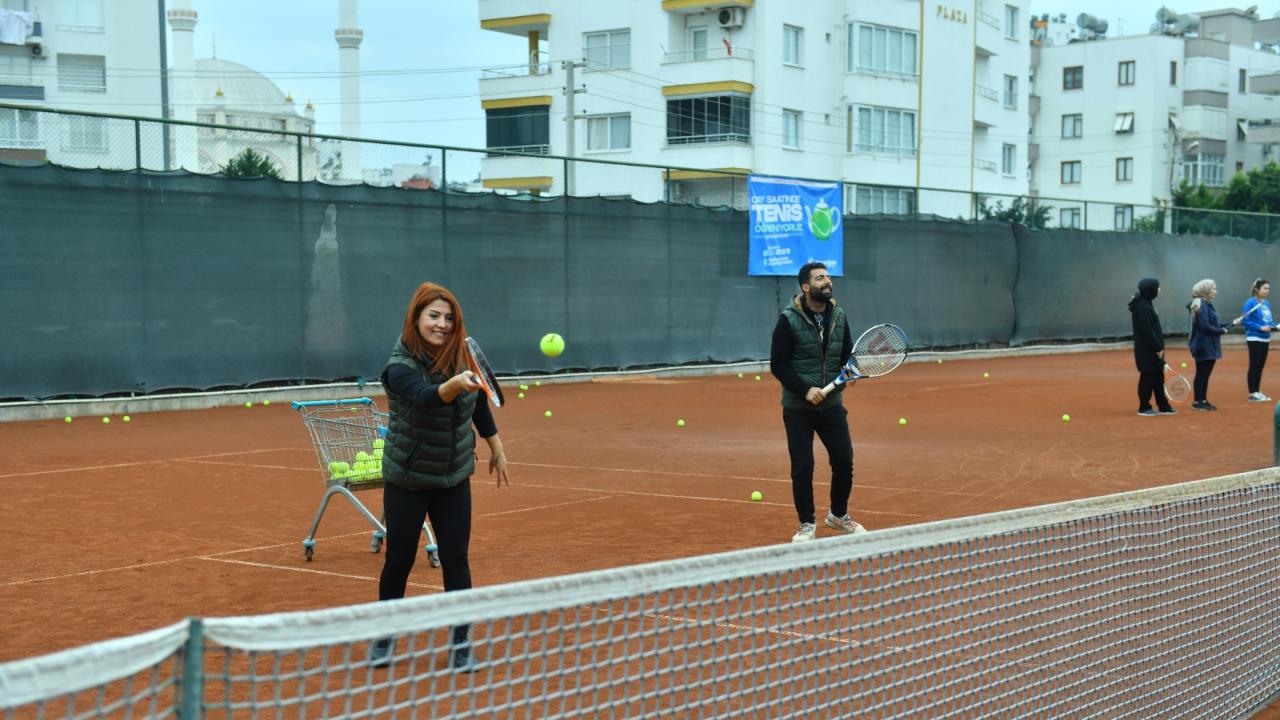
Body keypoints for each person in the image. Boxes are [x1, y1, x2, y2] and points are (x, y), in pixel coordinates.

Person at [370, 282, 511, 670]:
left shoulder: (460, 357)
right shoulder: (399, 366)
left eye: (449, 318)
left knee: (457, 561)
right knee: (398, 561)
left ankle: (461, 646)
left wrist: (496, 447)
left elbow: (478, 402)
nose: (442, 324)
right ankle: (383, 638)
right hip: (408, 479)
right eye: (433, 316)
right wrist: (455, 382)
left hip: (452, 477)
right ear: (416, 319)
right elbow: (426, 398)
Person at [770, 262, 868, 543]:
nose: (827, 282)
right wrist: (804, 390)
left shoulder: (838, 315)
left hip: (832, 404)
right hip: (798, 407)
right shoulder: (788, 320)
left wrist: (851, 371)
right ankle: (806, 524)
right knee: (803, 466)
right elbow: (778, 364)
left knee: (844, 460)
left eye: (828, 277)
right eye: (820, 278)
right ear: (805, 286)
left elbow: (847, 355)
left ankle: (838, 515)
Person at [1187, 279, 1244, 411]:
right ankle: (1197, 402)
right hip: (1203, 345)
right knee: (1202, 373)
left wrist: (1233, 323)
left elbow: (1215, 326)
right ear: (1206, 291)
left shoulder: (1207, 304)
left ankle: (1203, 400)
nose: (1216, 291)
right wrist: (1221, 331)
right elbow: (1206, 327)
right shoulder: (1201, 304)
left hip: (1209, 345)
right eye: (1214, 289)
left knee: (1205, 374)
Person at [1128, 278, 1175, 417]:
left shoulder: (1147, 304)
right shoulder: (1143, 308)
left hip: (1153, 350)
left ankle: (1163, 405)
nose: (1159, 290)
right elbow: (1147, 331)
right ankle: (1144, 407)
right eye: (1157, 287)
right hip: (1147, 351)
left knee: (1158, 378)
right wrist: (1157, 348)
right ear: (1151, 290)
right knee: (1147, 378)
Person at [1241, 278, 1275, 402]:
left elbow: (1269, 321)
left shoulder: (1267, 303)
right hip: (1254, 337)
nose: (1267, 291)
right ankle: (1252, 393)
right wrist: (1260, 327)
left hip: (1265, 339)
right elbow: (1244, 320)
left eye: (1269, 289)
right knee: (1254, 365)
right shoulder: (1250, 302)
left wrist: (1274, 326)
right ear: (1257, 290)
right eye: (1265, 288)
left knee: (1260, 365)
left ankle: (1257, 391)